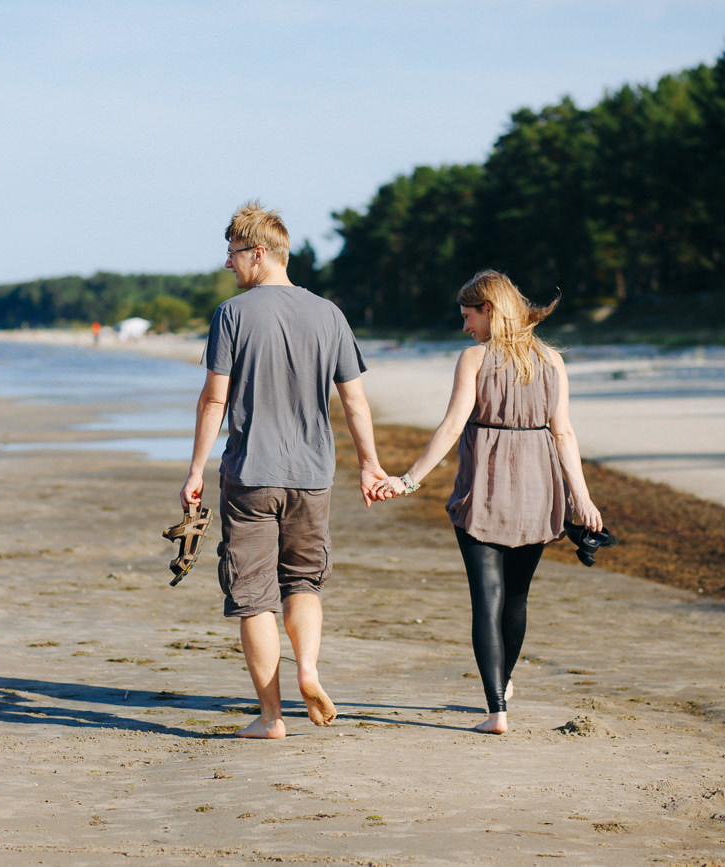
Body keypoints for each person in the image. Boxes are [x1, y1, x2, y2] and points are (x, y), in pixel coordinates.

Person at [182, 201, 386, 739]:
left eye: (232, 255)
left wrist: (195, 468)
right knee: (304, 582)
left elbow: (212, 402)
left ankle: (271, 717)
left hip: (251, 474)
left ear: (258, 253)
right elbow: (356, 402)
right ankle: (310, 671)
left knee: (253, 596)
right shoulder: (329, 314)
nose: (228, 266)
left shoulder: (232, 314)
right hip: (313, 474)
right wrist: (370, 466)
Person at [376, 270, 602, 735]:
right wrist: (581, 497)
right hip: (540, 490)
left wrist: (409, 480)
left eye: (468, 316)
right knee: (516, 598)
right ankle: (505, 681)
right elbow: (564, 433)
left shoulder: (474, 359)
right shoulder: (551, 361)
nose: (464, 328)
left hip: (483, 491)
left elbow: (453, 425)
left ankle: (496, 710)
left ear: (490, 311)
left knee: (488, 600)